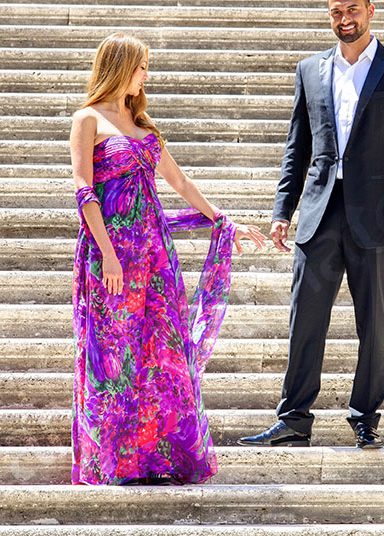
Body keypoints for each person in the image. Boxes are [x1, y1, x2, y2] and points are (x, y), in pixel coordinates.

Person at [237, 0, 384, 449]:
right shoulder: (310, 69)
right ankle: (294, 418)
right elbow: (296, 147)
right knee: (305, 319)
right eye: (335, 12)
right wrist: (283, 211)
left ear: (371, 11)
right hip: (320, 213)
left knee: (373, 323)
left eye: (352, 10)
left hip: (378, 219)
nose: (345, 19)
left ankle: (365, 417)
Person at [69, 32, 266, 485]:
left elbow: (178, 181)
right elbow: (84, 190)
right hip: (111, 257)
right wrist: (108, 254)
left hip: (156, 259)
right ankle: (112, 461)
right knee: (113, 356)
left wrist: (223, 219)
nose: (146, 75)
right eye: (141, 66)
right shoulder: (88, 119)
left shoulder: (145, 127)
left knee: (161, 355)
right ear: (121, 67)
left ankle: (157, 458)